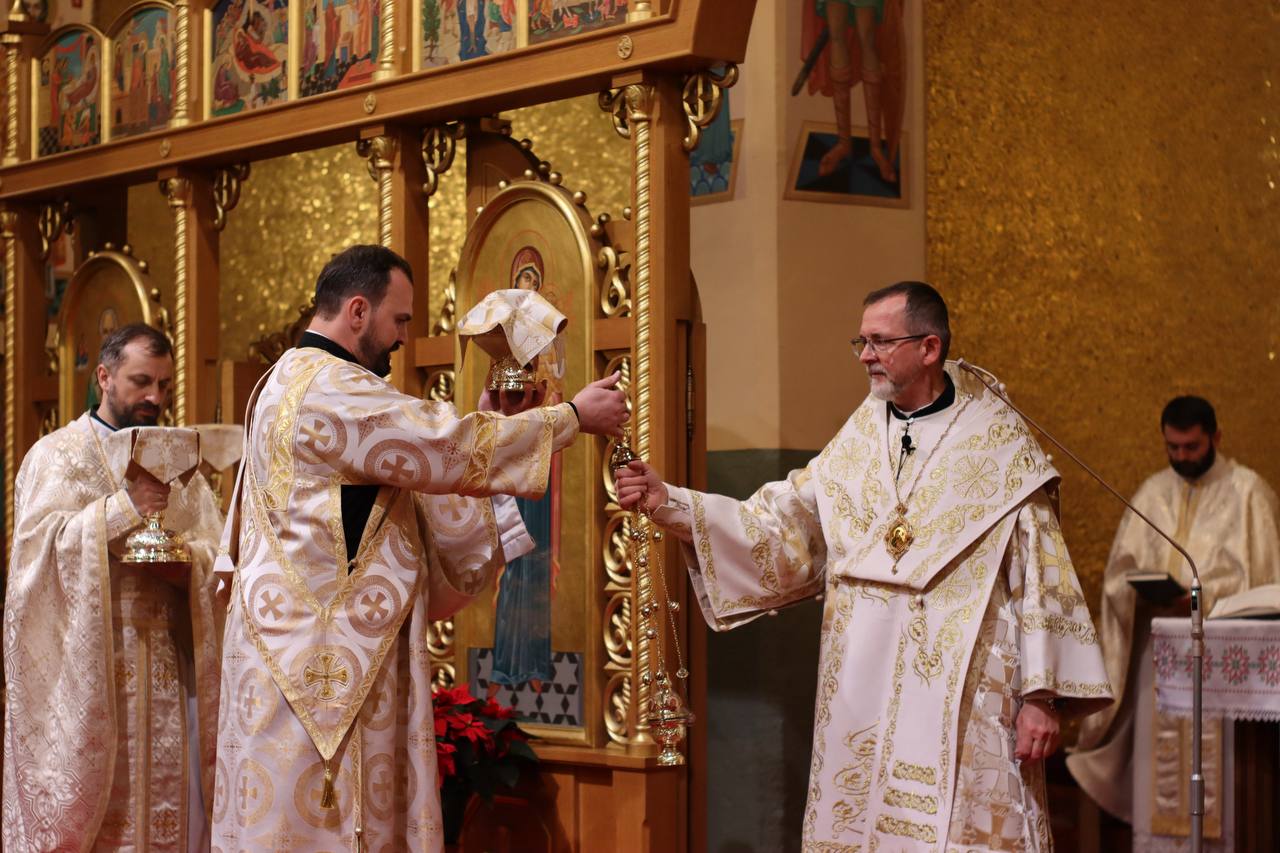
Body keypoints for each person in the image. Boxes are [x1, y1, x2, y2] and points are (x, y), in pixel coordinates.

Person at [617, 281, 1112, 849]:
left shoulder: (1000, 446)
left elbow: (1042, 579)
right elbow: (784, 527)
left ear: (929, 348)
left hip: (969, 700)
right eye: (861, 341)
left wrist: (1041, 698)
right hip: (863, 692)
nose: (865, 356)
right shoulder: (861, 435)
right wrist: (673, 503)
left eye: (879, 341)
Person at [211, 244, 627, 849]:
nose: (404, 337)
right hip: (325, 675)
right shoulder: (331, 387)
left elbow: (412, 469)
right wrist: (571, 418)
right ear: (358, 310)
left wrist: (488, 422)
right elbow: (436, 443)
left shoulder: (283, 379)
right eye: (399, 320)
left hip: (286, 654)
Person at [4, 323, 225, 851]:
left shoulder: (180, 464)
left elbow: (217, 557)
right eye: (141, 382)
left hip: (170, 673)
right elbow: (34, 559)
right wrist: (125, 509)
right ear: (104, 377)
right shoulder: (56, 455)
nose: (155, 398)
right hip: (92, 675)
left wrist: (185, 569)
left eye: (164, 385)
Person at [1067, 396, 1280, 850]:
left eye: (1192, 446)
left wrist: (1202, 597)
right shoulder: (1152, 492)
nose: (1182, 457)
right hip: (1159, 661)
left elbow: (1265, 588)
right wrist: (1140, 590)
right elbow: (1118, 578)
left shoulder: (1250, 494)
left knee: (1222, 781)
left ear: (1216, 438)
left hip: (1222, 665)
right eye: (1173, 447)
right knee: (1161, 777)